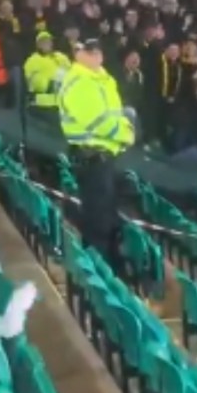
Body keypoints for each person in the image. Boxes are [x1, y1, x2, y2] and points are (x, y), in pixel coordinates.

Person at [58, 38, 135, 272]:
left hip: (105, 157)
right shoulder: (80, 81)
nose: (96, 56)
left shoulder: (101, 78)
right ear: (81, 54)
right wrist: (126, 133)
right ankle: (98, 274)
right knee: (98, 223)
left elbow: (116, 112)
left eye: (98, 51)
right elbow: (98, 121)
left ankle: (107, 270)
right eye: (89, 51)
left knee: (107, 218)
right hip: (93, 159)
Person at [23, 30, 70, 123]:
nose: (47, 44)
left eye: (48, 41)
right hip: (44, 101)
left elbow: (71, 70)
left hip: (64, 98)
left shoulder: (60, 56)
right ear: (38, 45)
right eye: (43, 42)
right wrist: (48, 83)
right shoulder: (32, 60)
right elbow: (29, 81)